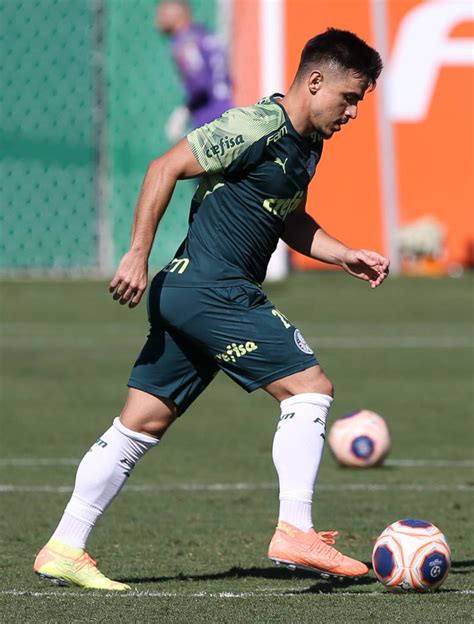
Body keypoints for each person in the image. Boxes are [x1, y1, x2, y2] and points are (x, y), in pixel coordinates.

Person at [33, 28, 389, 591]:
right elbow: (163, 167)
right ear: (316, 81)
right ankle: (295, 528)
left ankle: (64, 546)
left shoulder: (308, 145)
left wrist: (342, 252)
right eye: (349, 98)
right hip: (211, 287)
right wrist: (135, 254)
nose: (351, 113)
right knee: (310, 387)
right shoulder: (253, 126)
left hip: (193, 296)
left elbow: (286, 216)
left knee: (141, 422)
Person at [155, 0, 233, 141]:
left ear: (179, 11)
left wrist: (185, 111)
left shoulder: (184, 44)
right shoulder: (203, 34)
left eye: (164, 8)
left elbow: (200, 83)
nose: (159, 15)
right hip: (227, 112)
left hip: (209, 119)